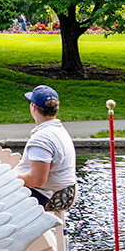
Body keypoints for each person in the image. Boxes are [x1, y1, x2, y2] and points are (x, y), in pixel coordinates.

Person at [16, 84, 78, 214]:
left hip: (49, 197)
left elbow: (37, 179)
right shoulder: (59, 130)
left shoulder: (42, 139)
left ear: (33, 107)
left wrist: (9, 177)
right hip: (64, 193)